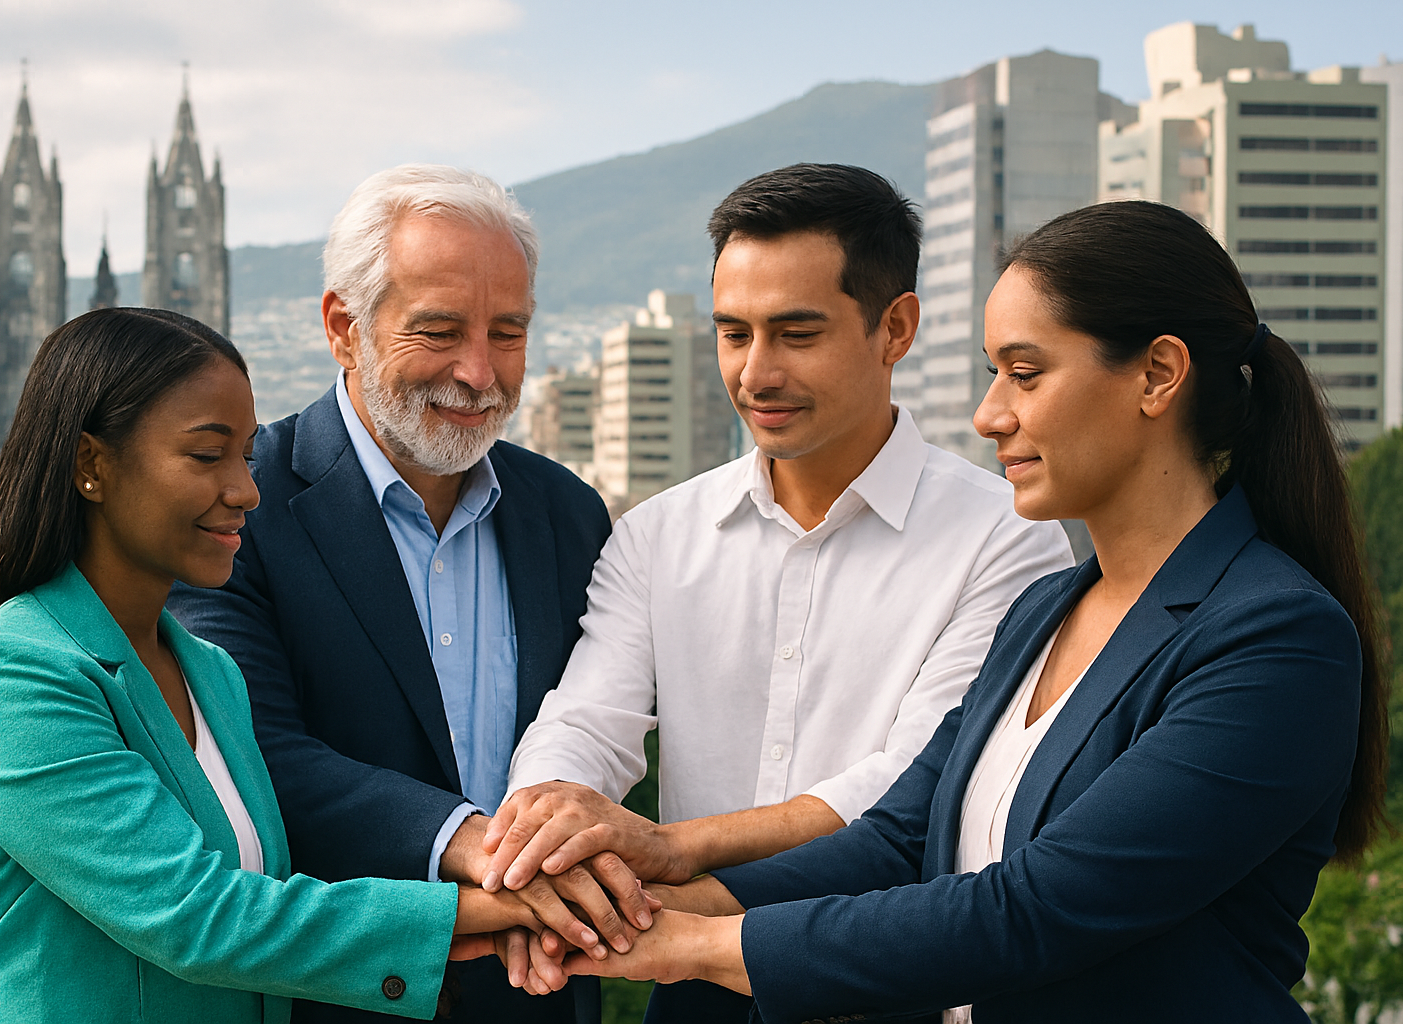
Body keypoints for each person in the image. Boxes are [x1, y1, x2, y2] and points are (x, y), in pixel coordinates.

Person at [550, 199, 1392, 1023]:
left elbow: (1032, 910)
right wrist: (642, 895)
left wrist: (694, 946)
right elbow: (900, 838)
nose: (990, 415)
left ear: (1157, 375)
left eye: (1025, 374)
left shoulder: (1276, 638)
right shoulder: (1046, 611)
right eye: (994, 374)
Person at [483, 163, 1074, 1021]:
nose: (756, 373)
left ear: (895, 328)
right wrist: (544, 853)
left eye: (796, 334)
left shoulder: (1007, 539)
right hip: (685, 988)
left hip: (885, 982)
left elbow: (914, 785)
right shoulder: (656, 534)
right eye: (734, 334)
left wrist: (670, 849)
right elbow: (584, 723)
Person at [0, 307, 580, 1024]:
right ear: (91, 465)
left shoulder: (212, 675)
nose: (246, 490)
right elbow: (193, 913)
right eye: (208, 456)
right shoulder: (10, 678)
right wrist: (482, 911)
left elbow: (265, 904)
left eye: (245, 455)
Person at [167, 165, 635, 1024]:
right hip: (334, 998)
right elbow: (249, 752)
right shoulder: (238, 507)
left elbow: (598, 730)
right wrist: (478, 847)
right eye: (440, 330)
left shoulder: (568, 513)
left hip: (543, 994)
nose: (479, 372)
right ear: (344, 327)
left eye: (508, 333)